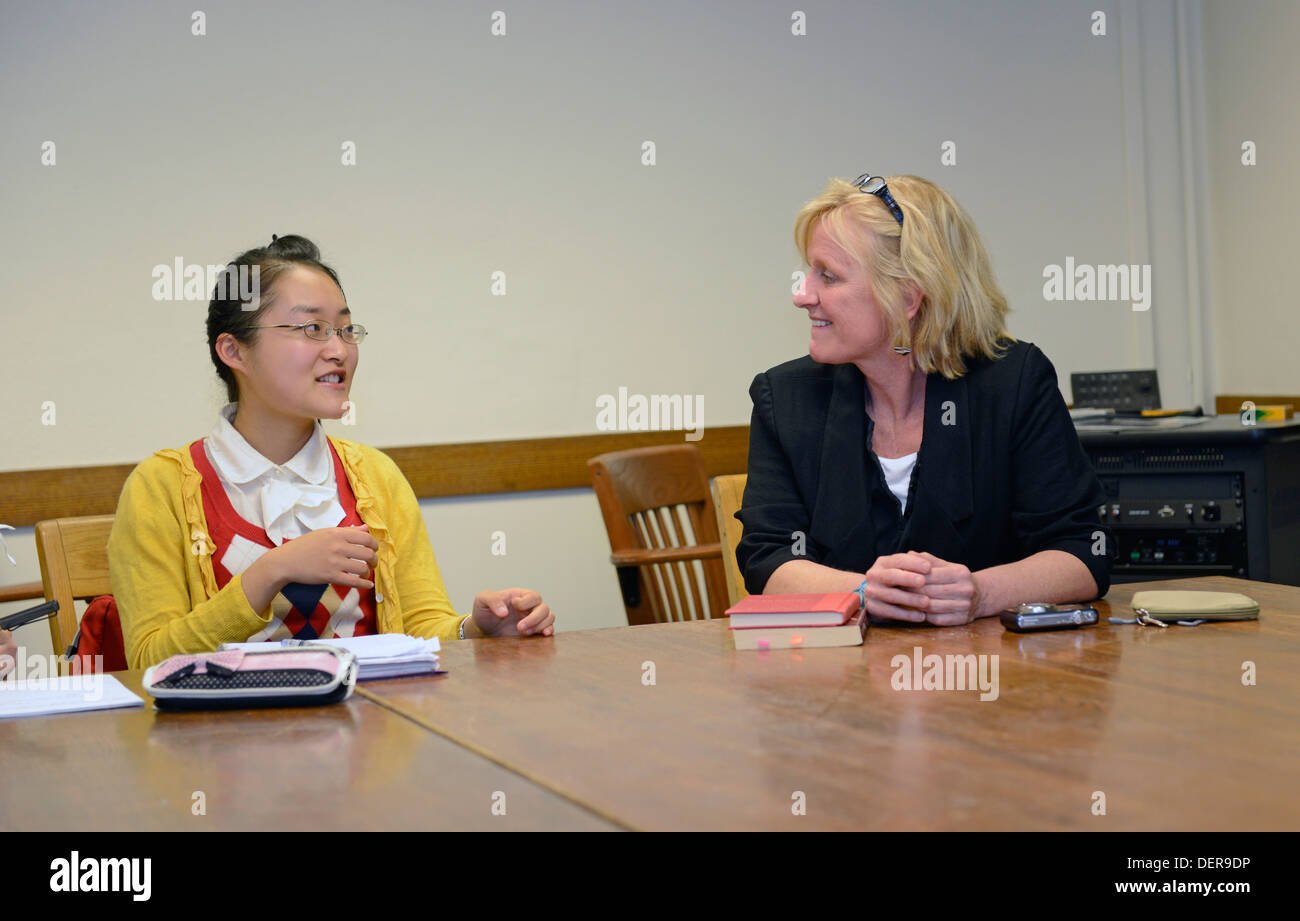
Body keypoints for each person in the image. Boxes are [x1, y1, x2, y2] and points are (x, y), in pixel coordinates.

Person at [110, 235, 554, 669]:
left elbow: (418, 627)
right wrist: (271, 572)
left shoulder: (374, 476)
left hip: (372, 734)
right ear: (234, 351)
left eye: (345, 329)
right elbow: (150, 663)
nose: (339, 350)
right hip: (224, 739)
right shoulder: (162, 487)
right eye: (312, 329)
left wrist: (476, 631)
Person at [736, 174, 1111, 625]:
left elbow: (1083, 552)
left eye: (828, 276)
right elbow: (769, 561)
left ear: (907, 297)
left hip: (994, 683)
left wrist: (979, 593)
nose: (802, 295)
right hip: (841, 686)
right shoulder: (786, 398)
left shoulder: (1013, 384)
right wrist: (861, 592)